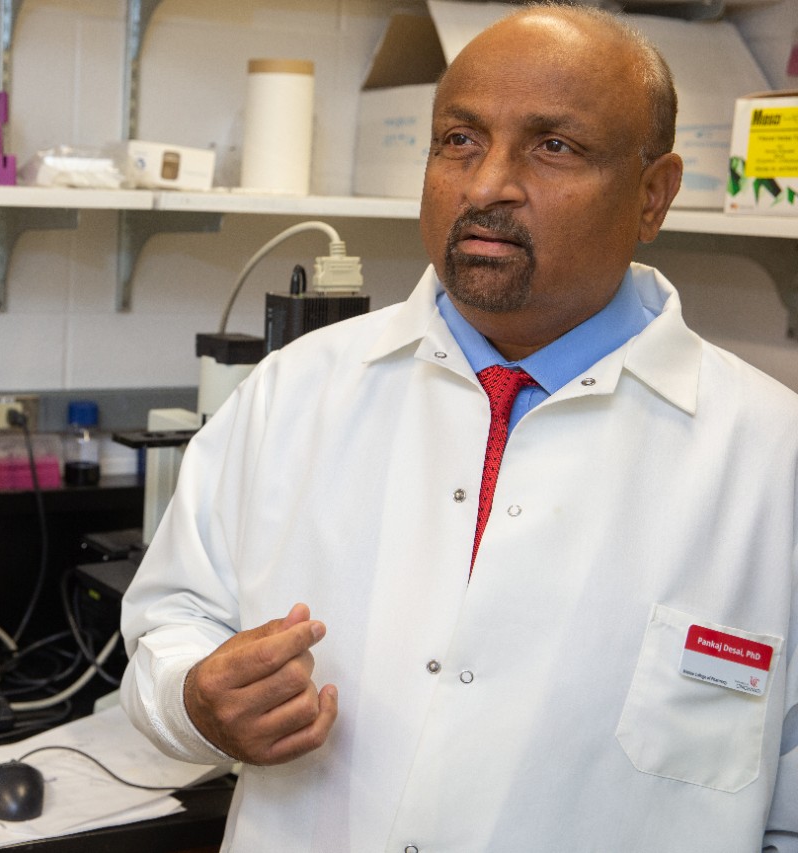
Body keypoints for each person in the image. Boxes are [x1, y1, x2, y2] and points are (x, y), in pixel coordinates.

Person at [119, 3, 798, 851]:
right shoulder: (296, 389)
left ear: (652, 195)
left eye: (554, 146)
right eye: (459, 140)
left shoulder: (773, 460)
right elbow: (168, 625)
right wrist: (196, 699)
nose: (485, 187)